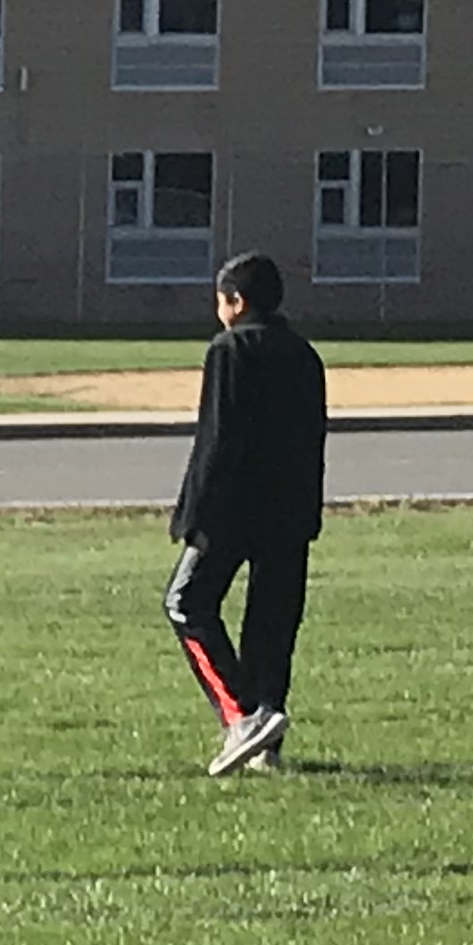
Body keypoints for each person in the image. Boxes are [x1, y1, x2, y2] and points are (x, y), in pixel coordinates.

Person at [164, 250, 329, 775]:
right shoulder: (304, 354)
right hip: (290, 509)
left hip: (232, 509)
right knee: (271, 625)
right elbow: (313, 439)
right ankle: (266, 745)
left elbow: (217, 439)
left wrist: (193, 513)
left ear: (235, 302)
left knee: (185, 603)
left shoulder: (230, 349)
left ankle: (242, 717)